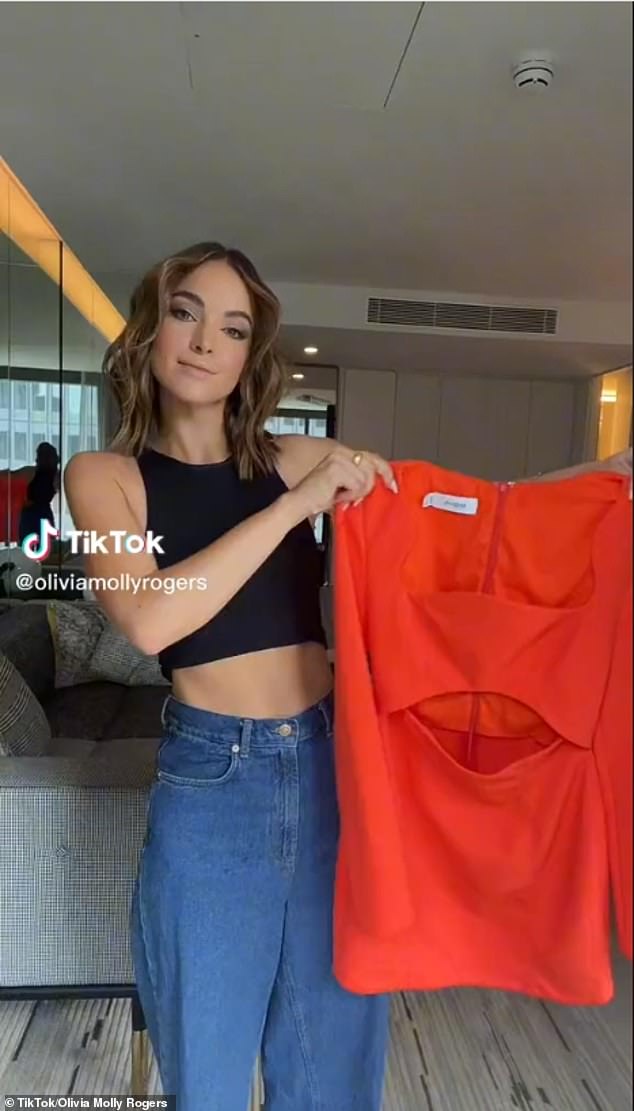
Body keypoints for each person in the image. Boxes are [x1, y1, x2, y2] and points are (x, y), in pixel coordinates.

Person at [63, 241, 632, 1111]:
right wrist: (294, 507)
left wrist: (602, 479)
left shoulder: (292, 455)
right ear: (149, 329)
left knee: (332, 1066)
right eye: (185, 313)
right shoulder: (105, 478)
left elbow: (461, 513)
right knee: (206, 1079)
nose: (206, 341)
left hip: (335, 770)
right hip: (211, 789)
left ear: (250, 356)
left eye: (234, 328)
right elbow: (148, 617)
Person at [17, 440, 60, 546]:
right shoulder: (55, 475)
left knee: (28, 547)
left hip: (30, 513)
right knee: (45, 546)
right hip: (41, 513)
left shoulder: (32, 471)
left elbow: (11, 475)